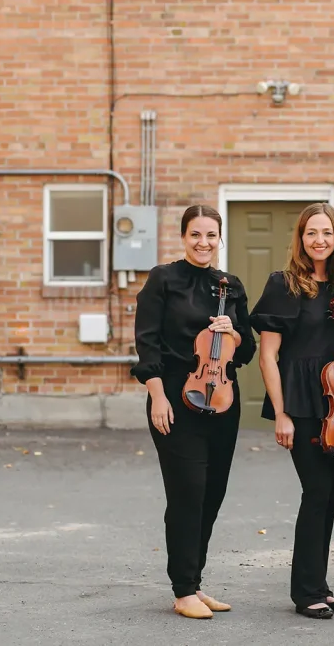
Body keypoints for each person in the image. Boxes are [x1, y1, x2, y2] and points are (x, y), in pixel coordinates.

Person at [130, 204, 257, 620]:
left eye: (210, 235)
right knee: (187, 492)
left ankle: (195, 583)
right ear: (183, 238)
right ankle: (182, 589)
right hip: (173, 398)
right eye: (195, 235)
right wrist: (157, 395)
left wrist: (233, 333)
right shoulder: (163, 279)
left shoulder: (230, 285)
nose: (203, 243)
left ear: (220, 239)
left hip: (221, 398)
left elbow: (249, 350)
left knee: (212, 494)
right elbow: (147, 340)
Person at [250, 202, 334, 620]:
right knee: (317, 492)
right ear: (300, 239)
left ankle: (319, 585)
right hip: (301, 403)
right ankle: (305, 592)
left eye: (326, 232)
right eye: (311, 233)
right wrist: (281, 414)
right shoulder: (283, 284)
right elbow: (268, 357)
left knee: (329, 495)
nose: (319, 240)